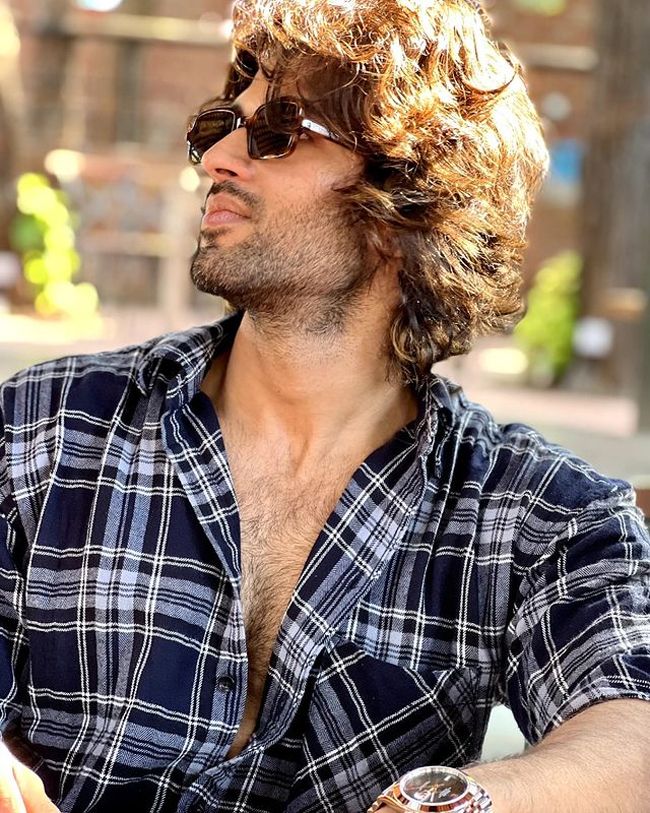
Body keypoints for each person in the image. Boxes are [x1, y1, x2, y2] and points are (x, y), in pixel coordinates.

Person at [0, 0, 649, 811]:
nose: (218, 159)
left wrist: (453, 803)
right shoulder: (43, 428)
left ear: (408, 196)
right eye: (219, 126)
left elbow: (632, 736)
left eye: (278, 130)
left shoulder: (538, 513)